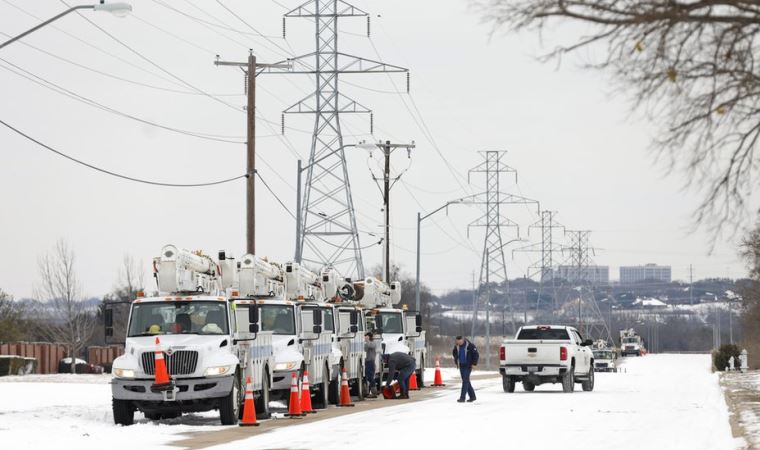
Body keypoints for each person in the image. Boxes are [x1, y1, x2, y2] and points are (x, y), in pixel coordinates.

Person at [453, 335, 479, 403]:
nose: (459, 342)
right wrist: (456, 359)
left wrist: (474, 363)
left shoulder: (470, 346)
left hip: (468, 365)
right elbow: (454, 353)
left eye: (460, 341)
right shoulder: (457, 346)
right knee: (466, 381)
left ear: (463, 340)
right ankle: (472, 396)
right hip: (461, 365)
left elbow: (476, 354)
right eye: (457, 341)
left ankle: (462, 398)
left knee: (465, 381)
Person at [364, 332, 379, 398]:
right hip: (367, 362)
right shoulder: (367, 343)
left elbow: (370, 346)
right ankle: (368, 392)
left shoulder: (373, 343)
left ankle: (374, 392)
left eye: (366, 336)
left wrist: (368, 340)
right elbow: (365, 349)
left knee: (370, 377)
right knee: (367, 377)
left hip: (371, 362)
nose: (365, 338)